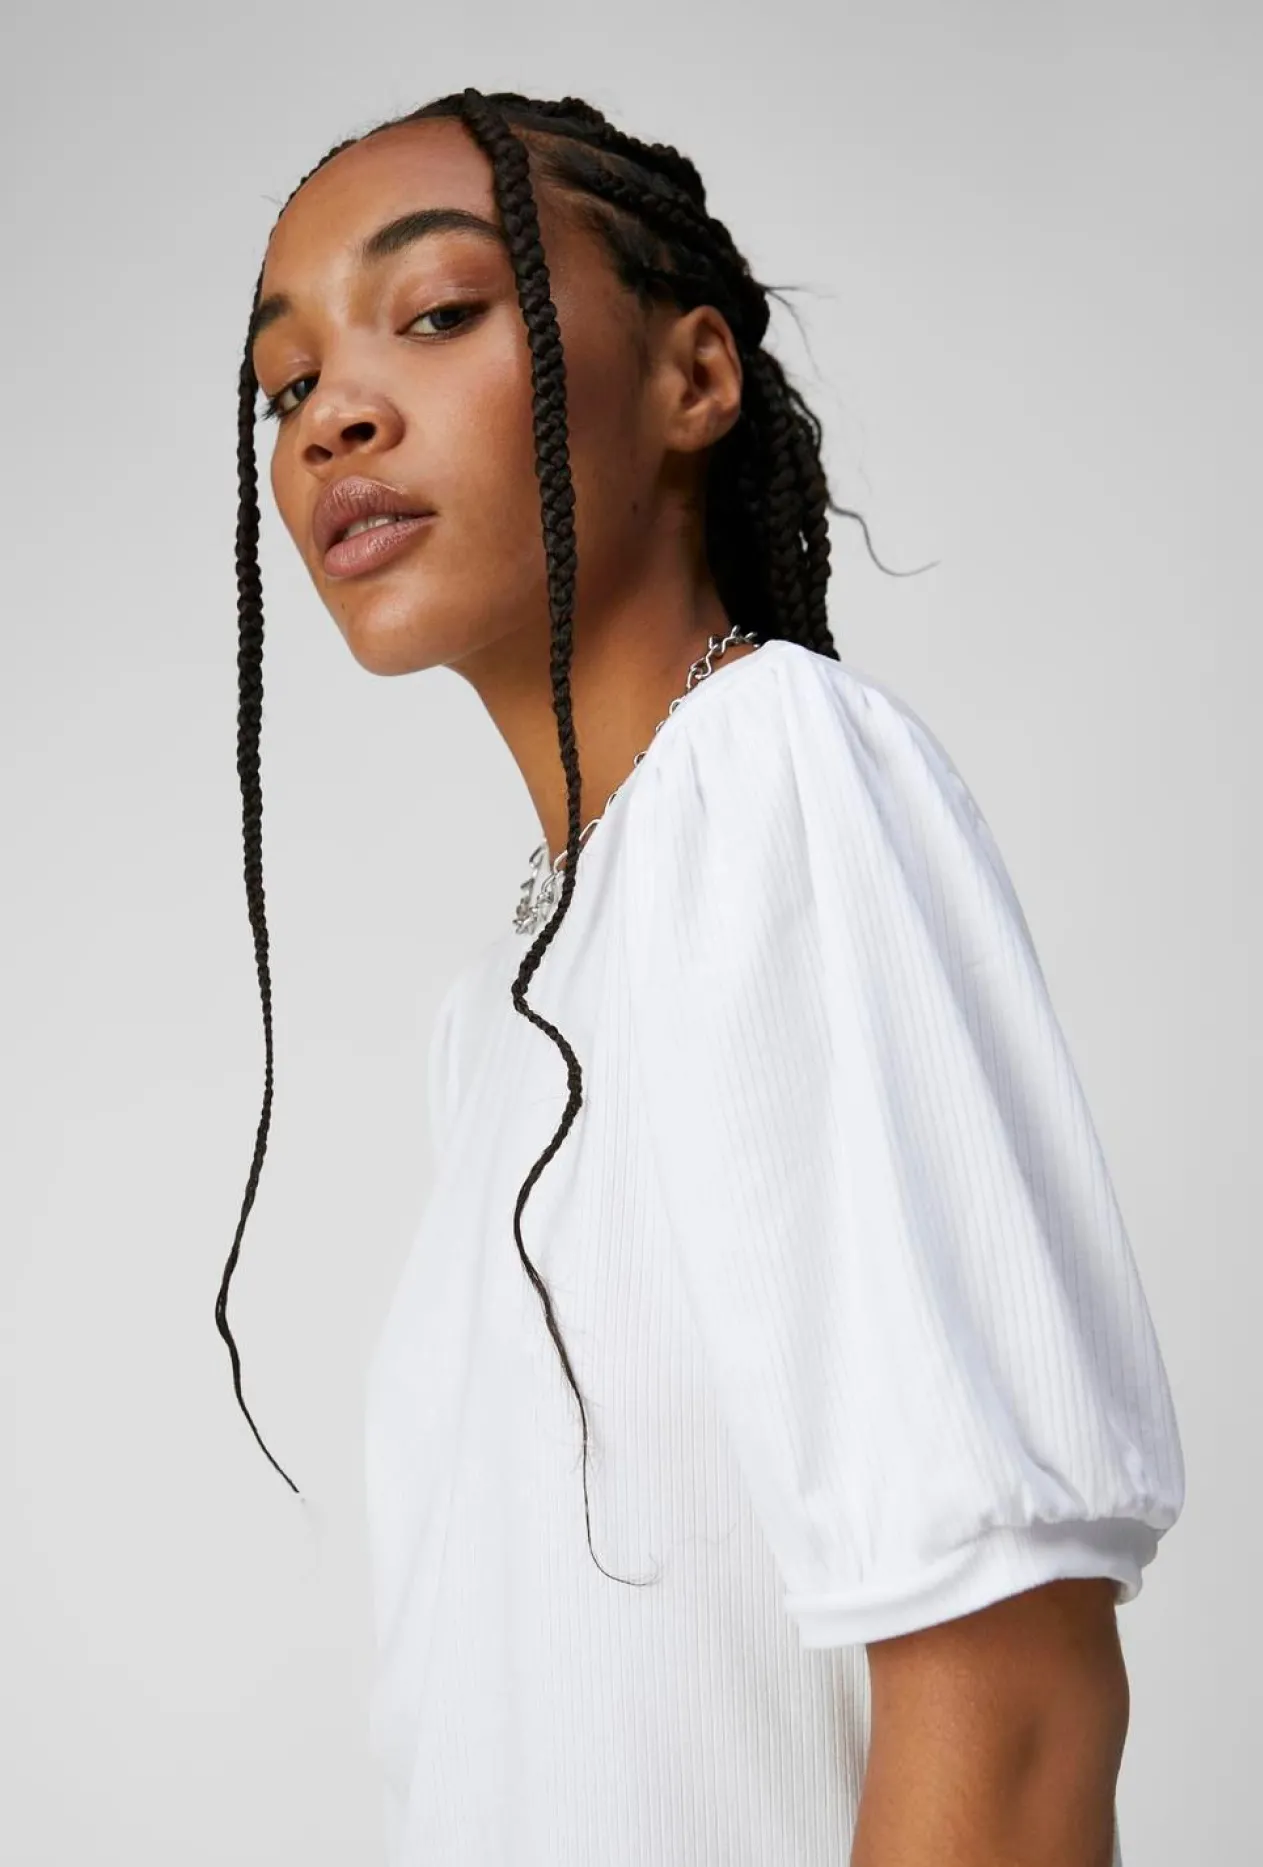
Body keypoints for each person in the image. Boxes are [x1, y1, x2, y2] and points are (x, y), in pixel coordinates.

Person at [221, 86, 1186, 1867]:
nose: (334, 413)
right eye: (287, 385)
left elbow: (1012, 1700)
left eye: (437, 311)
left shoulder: (768, 782)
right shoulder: (505, 1009)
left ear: (695, 378)